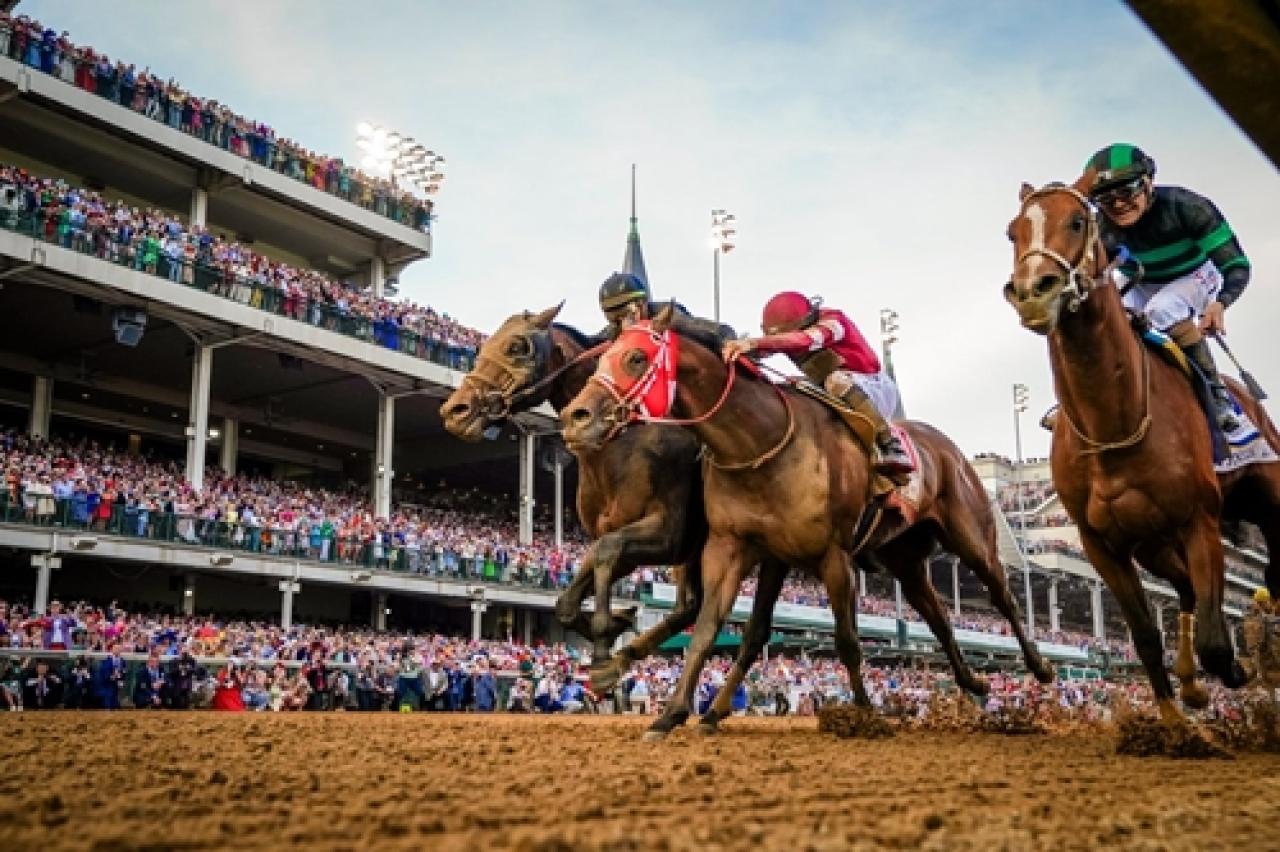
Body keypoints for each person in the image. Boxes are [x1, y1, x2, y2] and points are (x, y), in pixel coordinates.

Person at [1084, 143, 1250, 432]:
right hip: (1142, 279)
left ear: (1148, 182)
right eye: (1106, 198)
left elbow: (1237, 266)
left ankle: (1216, 393)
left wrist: (1219, 303)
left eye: (1127, 191)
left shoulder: (1188, 207)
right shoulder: (1100, 228)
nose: (1118, 204)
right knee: (1102, 321)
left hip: (1196, 273)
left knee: (1162, 309)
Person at [721, 291, 913, 476]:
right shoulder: (789, 333)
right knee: (791, 387)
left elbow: (804, 340)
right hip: (830, 385)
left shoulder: (834, 322)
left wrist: (755, 343)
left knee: (835, 382)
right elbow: (769, 349)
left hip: (873, 386)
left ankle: (889, 442)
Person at [596, 271, 735, 342]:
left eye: (628, 314)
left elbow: (721, 331)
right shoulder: (613, 331)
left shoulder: (672, 317)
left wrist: (729, 343)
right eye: (615, 318)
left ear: (643, 304)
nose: (624, 324)